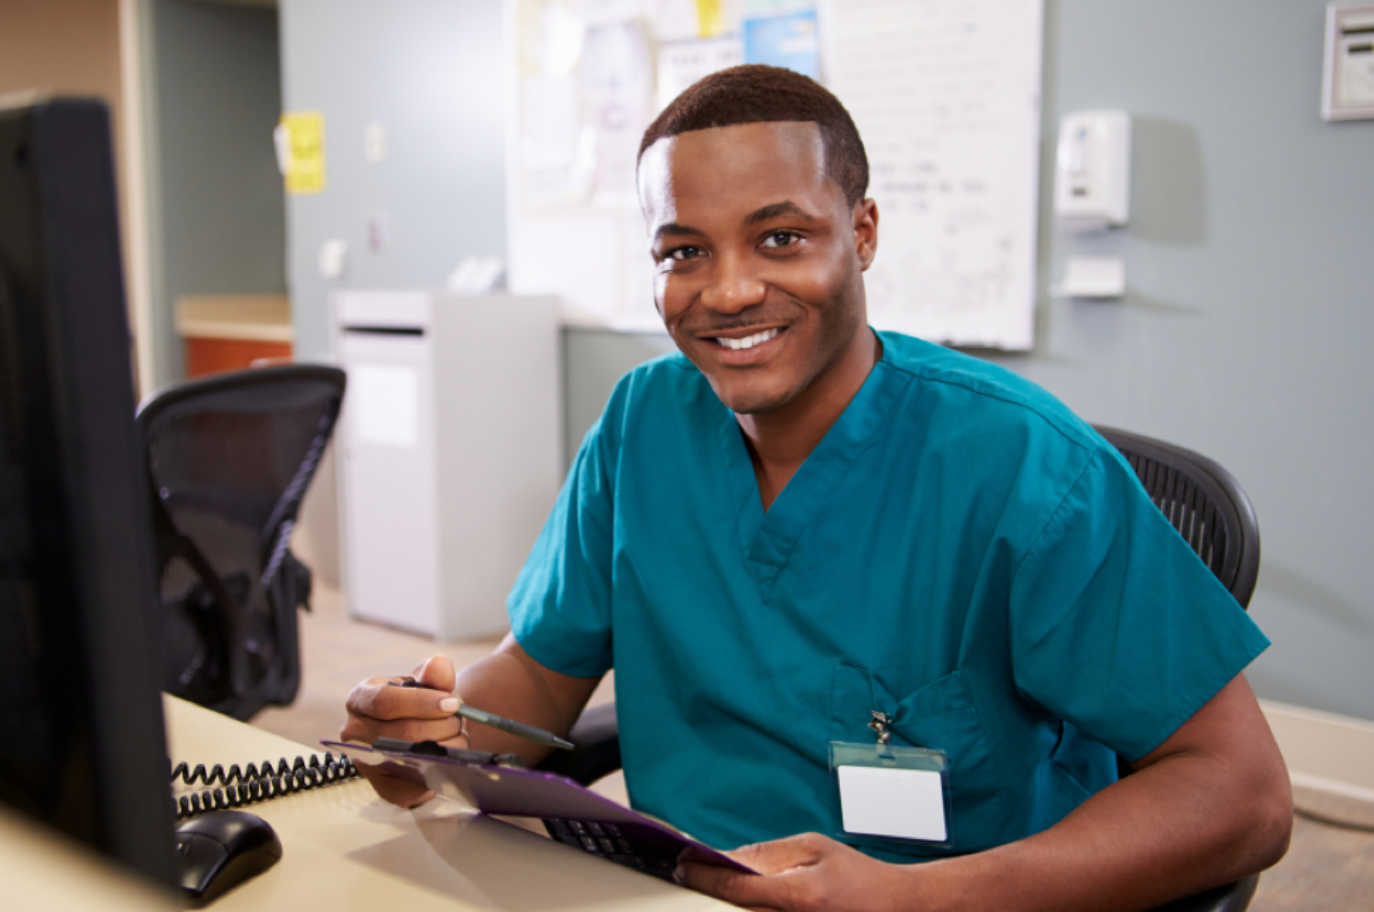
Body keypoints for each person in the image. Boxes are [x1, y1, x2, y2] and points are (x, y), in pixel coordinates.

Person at [344, 65, 1291, 911]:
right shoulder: (643, 424)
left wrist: (916, 899)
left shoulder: (1027, 468)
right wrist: (436, 729)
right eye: (683, 252)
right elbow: (541, 675)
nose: (727, 291)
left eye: (781, 237)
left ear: (863, 233)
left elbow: (1242, 795)